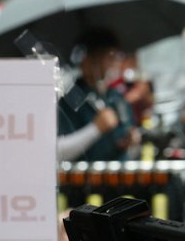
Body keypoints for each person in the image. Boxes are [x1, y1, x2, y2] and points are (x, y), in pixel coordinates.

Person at [56, 27, 139, 162]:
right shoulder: (70, 98)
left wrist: (130, 141)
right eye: (109, 57)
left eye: (117, 57)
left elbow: (128, 138)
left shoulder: (117, 98)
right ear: (88, 60)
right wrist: (96, 129)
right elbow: (58, 151)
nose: (114, 63)